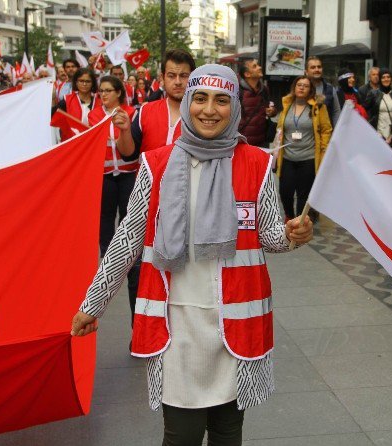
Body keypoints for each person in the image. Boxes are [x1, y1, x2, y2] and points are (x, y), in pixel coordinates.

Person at [71, 64, 314, 445]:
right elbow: (127, 240)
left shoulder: (258, 164)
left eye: (221, 100)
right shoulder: (156, 165)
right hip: (175, 325)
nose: (209, 110)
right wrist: (93, 304)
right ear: (187, 102)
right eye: (199, 98)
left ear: (234, 106)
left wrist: (292, 235)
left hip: (235, 321)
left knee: (227, 433)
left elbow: (269, 237)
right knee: (181, 435)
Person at [87, 75, 139, 318]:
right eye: (101, 91)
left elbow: (132, 144)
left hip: (128, 173)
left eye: (108, 90)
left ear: (119, 92)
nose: (104, 95)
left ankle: (128, 250)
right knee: (105, 216)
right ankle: (109, 256)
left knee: (128, 216)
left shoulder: (131, 111)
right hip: (105, 172)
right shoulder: (94, 115)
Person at [117, 49, 195, 158]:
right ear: (162, 78)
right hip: (148, 175)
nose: (178, 82)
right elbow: (128, 155)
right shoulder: (146, 111)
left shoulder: (202, 115)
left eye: (184, 75)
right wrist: (125, 131)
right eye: (171, 76)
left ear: (193, 78)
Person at [275, 76, 332, 220]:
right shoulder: (287, 104)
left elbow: (326, 129)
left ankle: (298, 221)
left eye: (305, 86)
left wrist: (324, 149)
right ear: (294, 87)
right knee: (285, 192)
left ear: (310, 89)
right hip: (287, 157)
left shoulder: (318, 107)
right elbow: (280, 128)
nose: (301, 88)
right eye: (299, 85)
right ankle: (289, 215)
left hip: (308, 158)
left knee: (303, 194)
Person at [238, 58, 277, 146]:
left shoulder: (264, 89)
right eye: (255, 66)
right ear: (247, 74)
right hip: (241, 142)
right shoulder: (237, 90)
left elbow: (269, 108)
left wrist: (272, 111)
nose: (259, 67)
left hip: (262, 142)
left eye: (258, 65)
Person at [305, 56, 340, 126]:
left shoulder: (330, 89)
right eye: (313, 67)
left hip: (325, 133)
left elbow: (336, 112)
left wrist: (336, 132)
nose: (317, 69)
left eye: (319, 67)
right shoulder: (300, 88)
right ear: (306, 72)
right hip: (306, 134)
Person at [367, 68, 392, 139]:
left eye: (388, 77)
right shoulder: (373, 94)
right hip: (377, 134)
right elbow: (366, 111)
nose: (386, 79)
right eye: (383, 77)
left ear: (391, 79)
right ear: (380, 79)